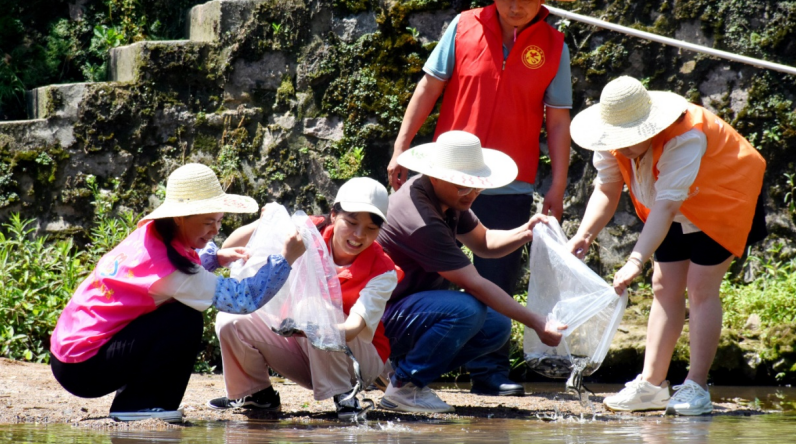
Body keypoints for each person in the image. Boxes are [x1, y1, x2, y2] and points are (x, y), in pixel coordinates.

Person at [386, 0, 577, 396]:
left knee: (499, 275)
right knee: (433, 270)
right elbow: (428, 88)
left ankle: (489, 372)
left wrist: (558, 184)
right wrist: (401, 147)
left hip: (513, 179)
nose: (516, 3)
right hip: (449, 174)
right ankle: (401, 358)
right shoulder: (463, 26)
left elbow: (559, 121)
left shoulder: (554, 46)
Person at [567, 76, 767, 416]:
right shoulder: (609, 137)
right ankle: (651, 385)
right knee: (663, 285)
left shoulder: (686, 135)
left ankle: (696, 386)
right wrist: (584, 235)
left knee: (700, 286)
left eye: (630, 138)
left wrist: (635, 260)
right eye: (618, 139)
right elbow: (607, 188)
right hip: (672, 207)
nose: (623, 147)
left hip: (725, 200)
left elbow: (667, 205)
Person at [49, 163, 306, 424]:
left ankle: (136, 401)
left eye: (219, 221)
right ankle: (140, 405)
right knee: (184, 318)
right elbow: (242, 299)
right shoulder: (172, 271)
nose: (216, 230)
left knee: (175, 312)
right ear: (179, 218)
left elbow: (178, 276)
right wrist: (286, 259)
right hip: (83, 367)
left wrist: (216, 258)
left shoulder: (151, 236)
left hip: (69, 354)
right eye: (208, 222)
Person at [376, 131, 565, 413]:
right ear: (436, 176)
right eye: (464, 187)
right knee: (467, 309)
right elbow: (475, 284)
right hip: (376, 319)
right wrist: (537, 322)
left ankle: (393, 371)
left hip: (406, 310)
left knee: (496, 326)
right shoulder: (422, 220)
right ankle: (405, 386)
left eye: (477, 186)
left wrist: (528, 231)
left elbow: (484, 242)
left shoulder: (446, 196)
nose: (472, 194)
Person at [207, 177, 400, 421]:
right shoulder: (309, 230)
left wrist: (312, 329)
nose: (359, 235)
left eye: (371, 229)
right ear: (333, 215)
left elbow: (352, 329)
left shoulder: (384, 271)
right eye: (351, 223)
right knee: (231, 319)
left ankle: (345, 396)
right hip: (305, 349)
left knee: (312, 306)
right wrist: (265, 221)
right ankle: (256, 394)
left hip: (358, 362)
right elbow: (230, 245)